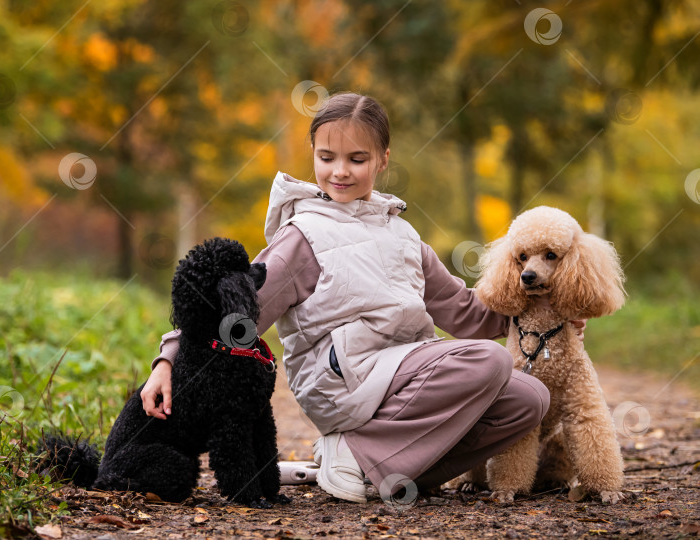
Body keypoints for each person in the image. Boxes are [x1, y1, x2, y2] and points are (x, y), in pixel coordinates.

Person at [140, 92, 580, 503]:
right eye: (326, 158)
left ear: (383, 159)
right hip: (342, 381)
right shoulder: (303, 236)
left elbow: (466, 313)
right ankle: (353, 450)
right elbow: (235, 312)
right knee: (490, 361)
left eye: (357, 159)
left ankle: (386, 473)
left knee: (529, 399)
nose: (340, 172)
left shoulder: (404, 236)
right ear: (313, 153)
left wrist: (548, 307)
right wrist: (169, 359)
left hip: (407, 374)